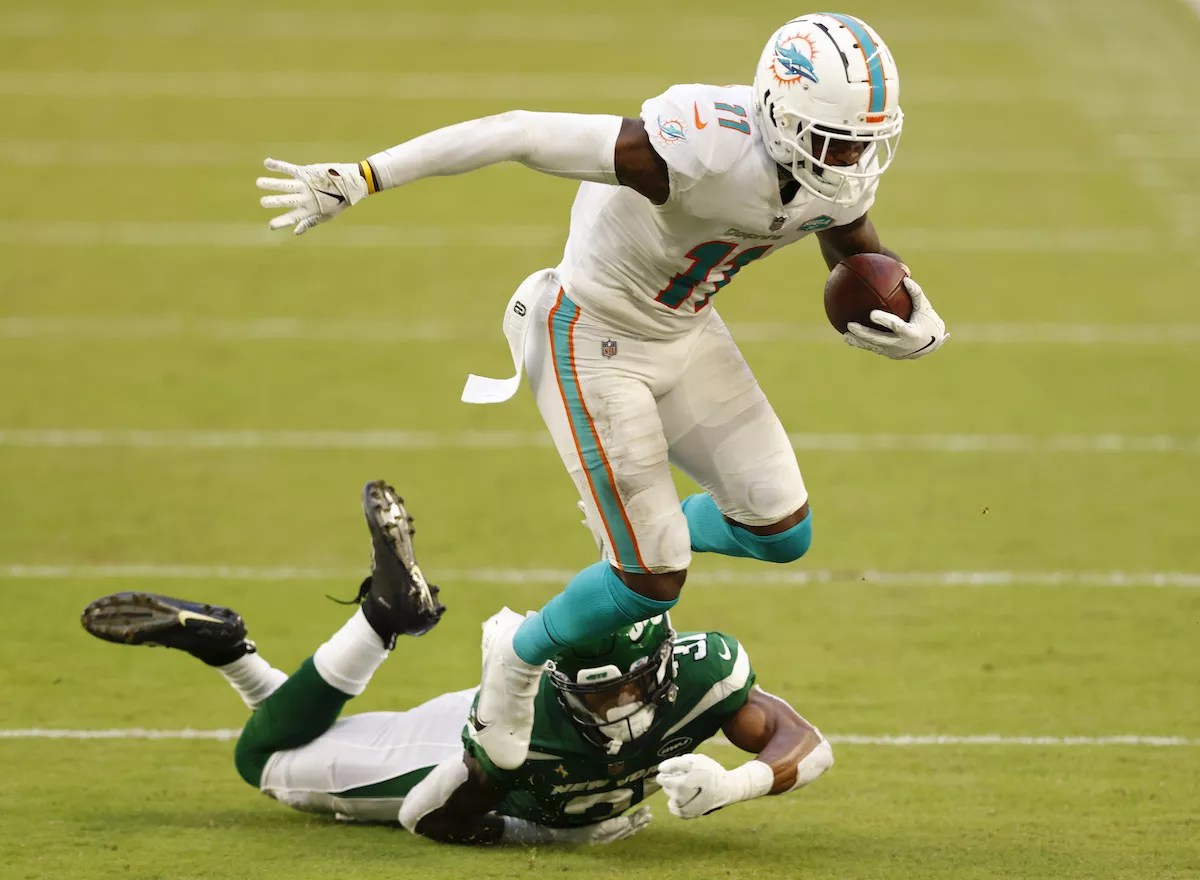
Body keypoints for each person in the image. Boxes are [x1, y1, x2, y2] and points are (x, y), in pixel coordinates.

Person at [255, 13, 946, 772]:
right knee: (652, 580)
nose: (850, 158)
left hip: (687, 333)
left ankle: (645, 525)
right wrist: (364, 176)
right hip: (590, 335)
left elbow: (855, 251)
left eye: (863, 140)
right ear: (780, 115)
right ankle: (516, 659)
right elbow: (519, 131)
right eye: (834, 139)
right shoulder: (697, 147)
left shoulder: (835, 168)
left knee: (781, 532)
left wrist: (910, 312)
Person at [80, 481, 834, 845]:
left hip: (499, 733)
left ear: (666, 661)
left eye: (630, 686)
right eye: (601, 694)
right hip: (463, 751)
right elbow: (426, 819)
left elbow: (805, 742)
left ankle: (253, 653)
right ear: (559, 683)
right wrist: (524, 821)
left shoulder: (704, 672)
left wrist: (736, 783)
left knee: (300, 736)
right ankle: (357, 624)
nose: (619, 706)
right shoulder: (523, 725)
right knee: (264, 762)